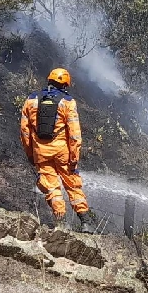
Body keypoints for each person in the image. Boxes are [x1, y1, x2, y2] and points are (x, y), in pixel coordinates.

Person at [20, 68, 94, 228]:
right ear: (65, 84)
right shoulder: (68, 102)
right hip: (63, 153)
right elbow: (75, 134)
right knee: (72, 185)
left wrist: (30, 154)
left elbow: (25, 132)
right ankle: (86, 223)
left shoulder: (31, 100)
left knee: (51, 186)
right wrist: (74, 159)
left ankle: (61, 224)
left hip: (40, 152)